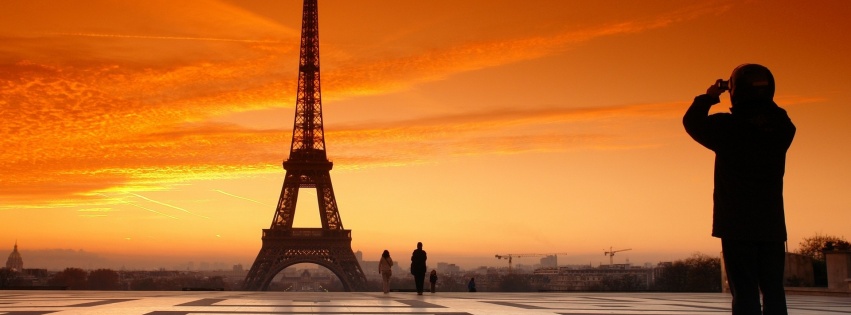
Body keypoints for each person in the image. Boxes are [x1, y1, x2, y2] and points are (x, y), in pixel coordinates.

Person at [683, 64, 795, 315]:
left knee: (744, 292)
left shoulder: (727, 127)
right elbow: (779, 117)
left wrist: (710, 97)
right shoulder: (780, 128)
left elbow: (692, 122)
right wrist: (763, 102)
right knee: (774, 291)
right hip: (771, 224)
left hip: (736, 224)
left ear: (736, 92)